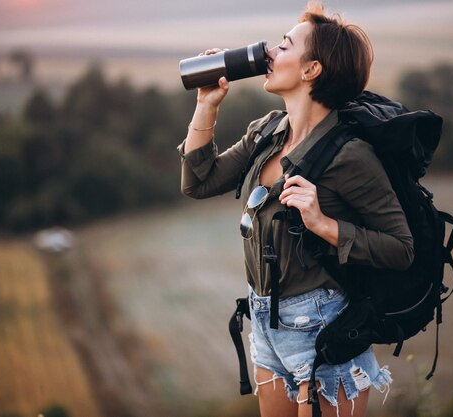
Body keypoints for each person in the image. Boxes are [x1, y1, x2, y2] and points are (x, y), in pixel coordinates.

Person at [177, 3, 414, 416]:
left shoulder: (350, 156)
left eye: (284, 45)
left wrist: (324, 224)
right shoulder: (267, 131)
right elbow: (197, 182)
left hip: (324, 331)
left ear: (311, 70)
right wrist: (207, 104)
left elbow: (401, 247)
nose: (269, 53)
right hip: (265, 324)